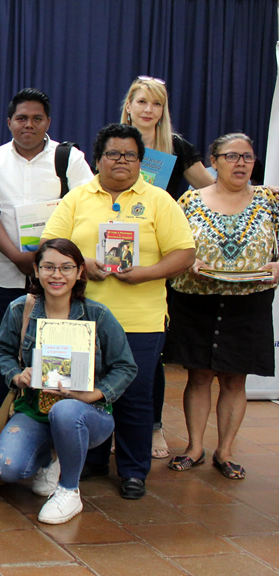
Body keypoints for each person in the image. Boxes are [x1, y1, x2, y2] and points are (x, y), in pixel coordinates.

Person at [42, 123, 195, 500]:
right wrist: (83, 264)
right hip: (82, 319)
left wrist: (146, 273)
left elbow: (184, 253)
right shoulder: (76, 197)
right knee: (82, 390)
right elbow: (49, 243)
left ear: (141, 161)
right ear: (98, 160)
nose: (122, 161)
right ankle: (92, 461)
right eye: (113, 154)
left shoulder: (160, 200)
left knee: (135, 396)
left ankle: (132, 470)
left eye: (130, 155)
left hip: (139, 320)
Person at [0, 239, 137, 524]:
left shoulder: (98, 315)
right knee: (6, 469)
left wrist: (93, 395)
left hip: (87, 414)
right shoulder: (20, 309)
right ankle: (51, 459)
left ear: (80, 271)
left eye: (66, 268)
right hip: (35, 409)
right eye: (48, 267)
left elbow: (126, 367)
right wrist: (17, 375)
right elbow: (3, 352)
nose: (57, 275)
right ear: (36, 270)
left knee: (65, 411)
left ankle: (69, 490)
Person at [164, 134, 277, 480]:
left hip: (249, 301)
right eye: (232, 156)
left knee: (234, 378)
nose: (241, 162)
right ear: (214, 161)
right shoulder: (189, 200)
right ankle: (194, 447)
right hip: (196, 298)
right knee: (198, 375)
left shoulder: (270, 200)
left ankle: (224, 451)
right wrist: (186, 261)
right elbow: (171, 243)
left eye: (248, 156)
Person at [0, 88, 93, 411]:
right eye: (22, 118)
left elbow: (84, 209)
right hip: (6, 273)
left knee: (56, 351)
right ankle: (7, 415)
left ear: (48, 122)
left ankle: (54, 417)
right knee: (9, 349)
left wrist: (44, 262)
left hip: (58, 278)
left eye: (36, 118)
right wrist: (18, 258)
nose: (29, 124)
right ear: (10, 122)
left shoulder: (69, 158)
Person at [118, 76, 215, 460]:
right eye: (142, 101)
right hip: (116, 257)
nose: (148, 110)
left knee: (151, 350)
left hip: (160, 263)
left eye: (156, 104)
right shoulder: (116, 142)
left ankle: (153, 426)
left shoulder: (176, 147)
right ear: (129, 105)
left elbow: (209, 190)